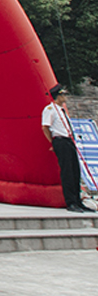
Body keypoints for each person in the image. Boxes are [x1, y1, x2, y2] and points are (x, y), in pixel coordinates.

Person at [42, 84, 93, 213]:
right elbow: (45, 127)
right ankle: (71, 202)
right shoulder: (50, 109)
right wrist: (53, 142)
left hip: (69, 141)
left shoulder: (61, 110)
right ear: (57, 96)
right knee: (67, 172)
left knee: (75, 171)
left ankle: (78, 201)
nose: (65, 97)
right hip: (60, 141)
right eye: (63, 94)